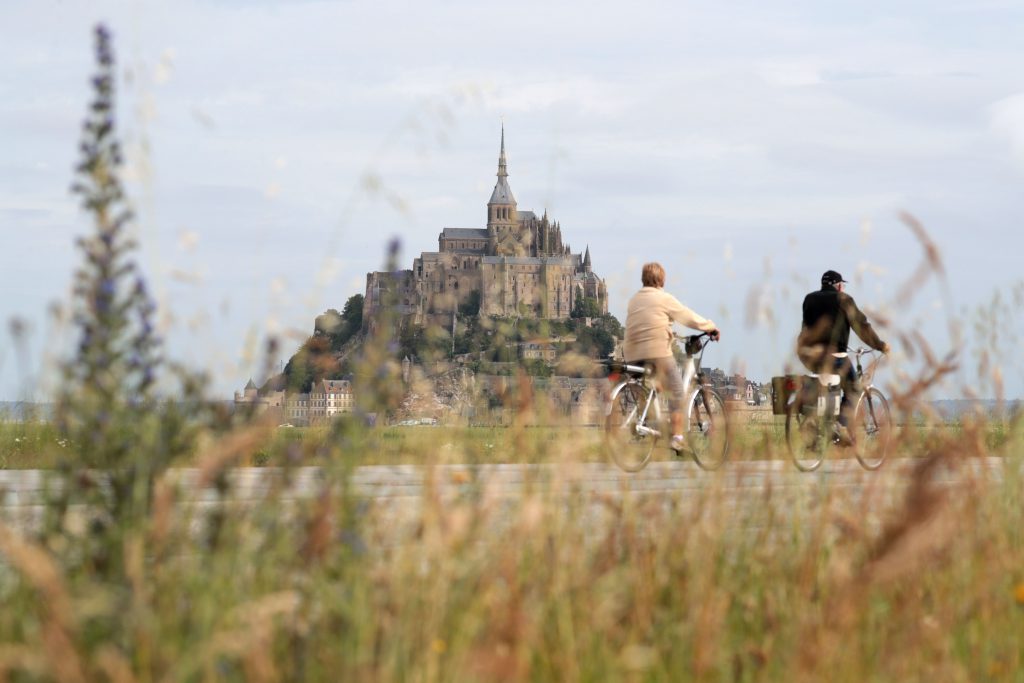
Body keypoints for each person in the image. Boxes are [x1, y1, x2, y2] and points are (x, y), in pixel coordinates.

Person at [622, 262, 720, 453]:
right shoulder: (663, 298)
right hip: (656, 353)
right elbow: (687, 316)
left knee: (653, 387)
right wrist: (710, 327)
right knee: (677, 393)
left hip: (631, 355)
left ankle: (649, 425)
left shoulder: (634, 300)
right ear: (661, 279)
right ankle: (677, 437)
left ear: (644, 279)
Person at [797, 270, 890, 443]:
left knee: (826, 383)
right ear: (838, 285)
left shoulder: (809, 299)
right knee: (854, 388)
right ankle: (840, 426)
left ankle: (815, 419)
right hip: (833, 356)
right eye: (842, 285)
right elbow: (862, 327)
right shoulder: (844, 300)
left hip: (808, 355)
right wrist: (880, 345)